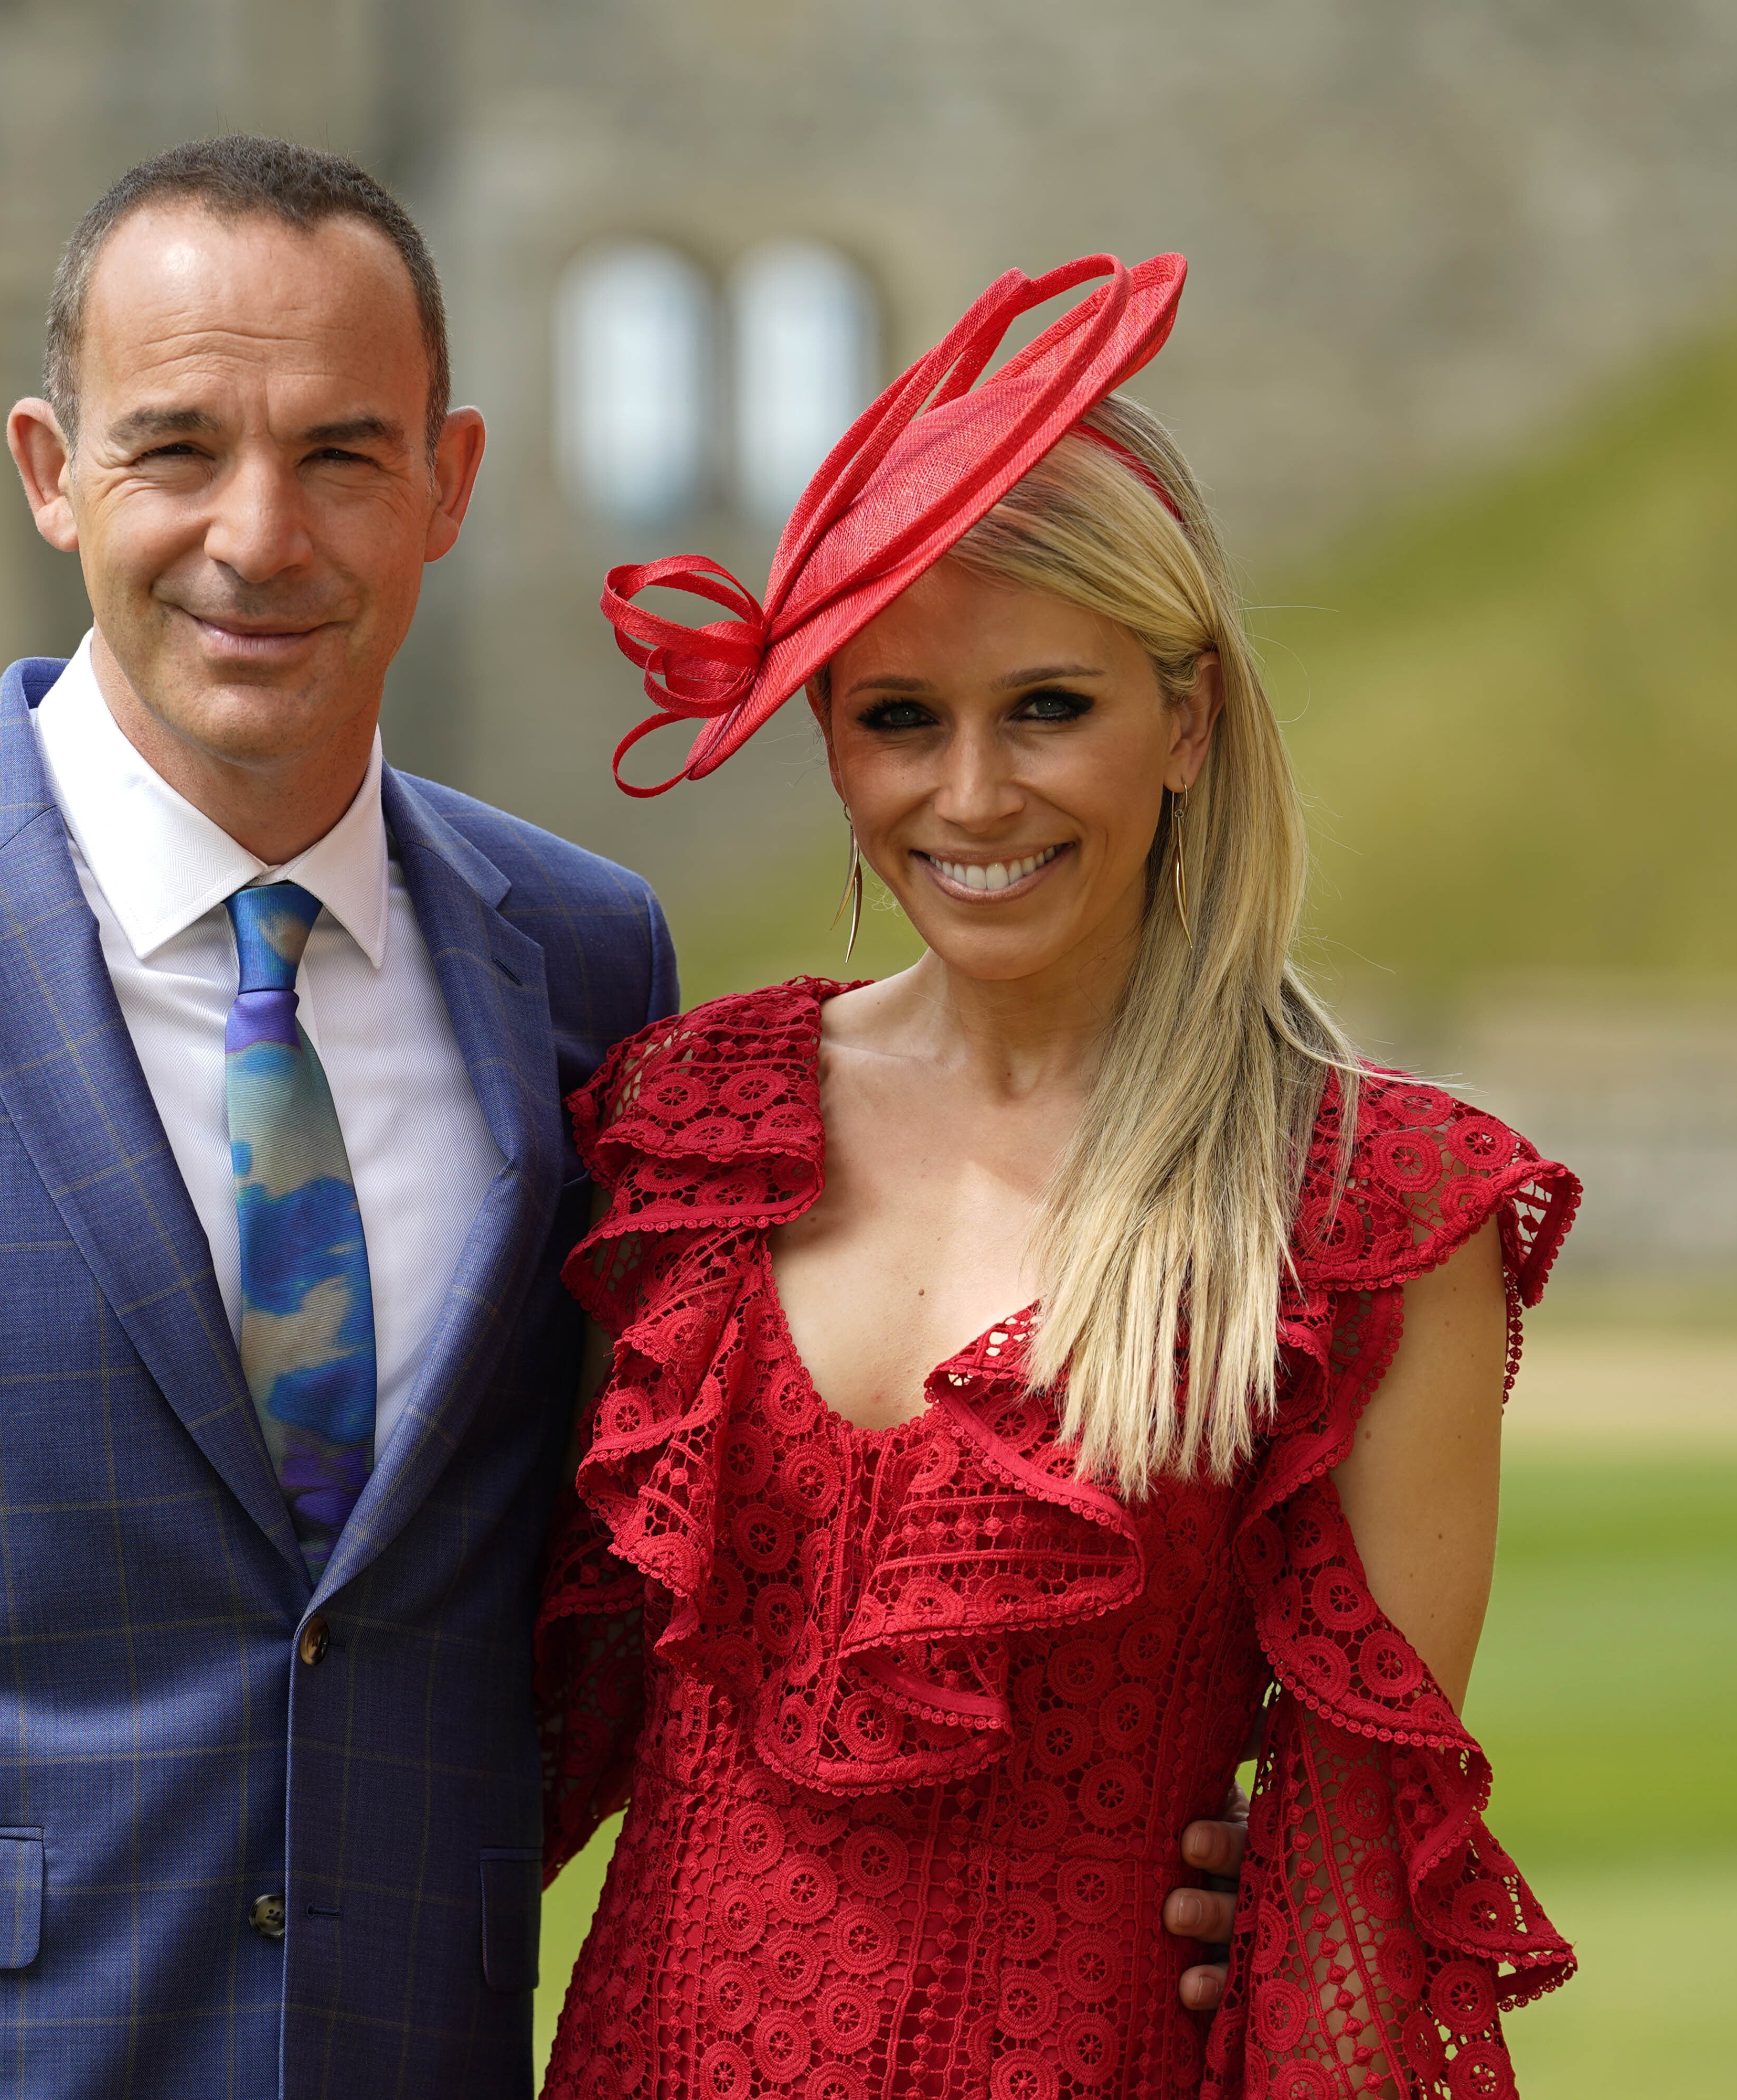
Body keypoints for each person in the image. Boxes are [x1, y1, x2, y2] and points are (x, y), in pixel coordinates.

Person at [0, 137, 1253, 2098]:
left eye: (338, 453)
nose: (261, 534)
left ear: (449, 483)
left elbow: (687, 1603)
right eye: (175, 450)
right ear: (50, 473)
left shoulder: (584, 967)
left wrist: (1143, 1860)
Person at [534, 253, 1581, 2098]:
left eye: (1047, 709)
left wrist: (1284, 1903)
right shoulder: (677, 1125)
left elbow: (1347, 1926)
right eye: (899, 719)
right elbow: (501, 1718)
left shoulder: (1369, 1215)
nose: (973, 798)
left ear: (1187, 724)